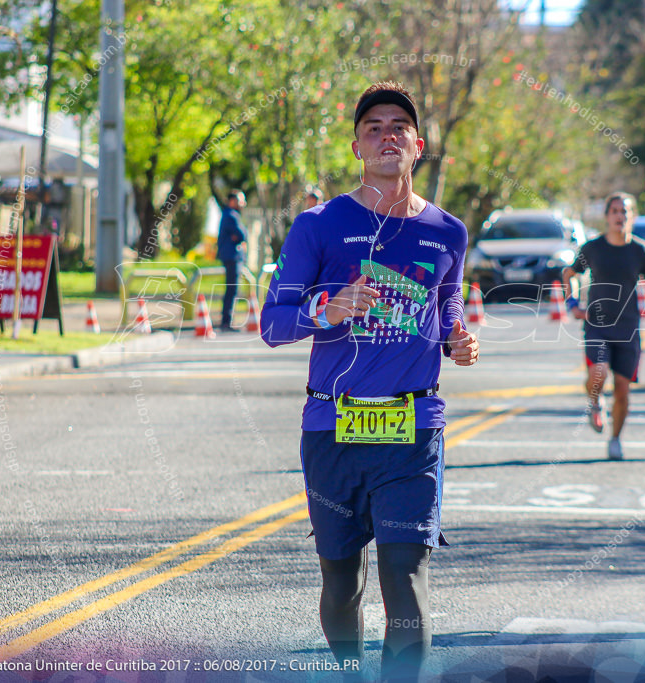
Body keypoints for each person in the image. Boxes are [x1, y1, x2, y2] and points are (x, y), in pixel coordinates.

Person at [260, 81, 478, 681]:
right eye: (374, 128)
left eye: (398, 127)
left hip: (413, 428)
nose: (387, 136)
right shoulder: (319, 225)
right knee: (342, 581)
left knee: (405, 579)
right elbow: (273, 325)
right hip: (333, 423)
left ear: (418, 145)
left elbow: (448, 304)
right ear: (358, 147)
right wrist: (323, 309)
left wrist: (457, 338)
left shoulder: (447, 232)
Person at [561, 192, 645, 461]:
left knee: (622, 389)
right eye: (615, 211)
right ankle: (594, 401)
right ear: (607, 217)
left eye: (625, 212)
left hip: (628, 327)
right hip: (597, 323)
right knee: (598, 372)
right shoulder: (593, 249)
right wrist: (572, 303)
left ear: (632, 217)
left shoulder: (640, 250)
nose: (620, 216)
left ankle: (615, 439)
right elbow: (569, 273)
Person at [217, 190, 247, 331]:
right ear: (232, 201)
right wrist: (238, 237)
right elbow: (242, 234)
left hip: (230, 256)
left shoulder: (229, 215)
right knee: (232, 289)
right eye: (241, 200)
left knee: (232, 289)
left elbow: (240, 235)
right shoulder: (231, 216)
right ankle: (226, 321)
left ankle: (227, 321)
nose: (243, 204)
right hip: (232, 257)